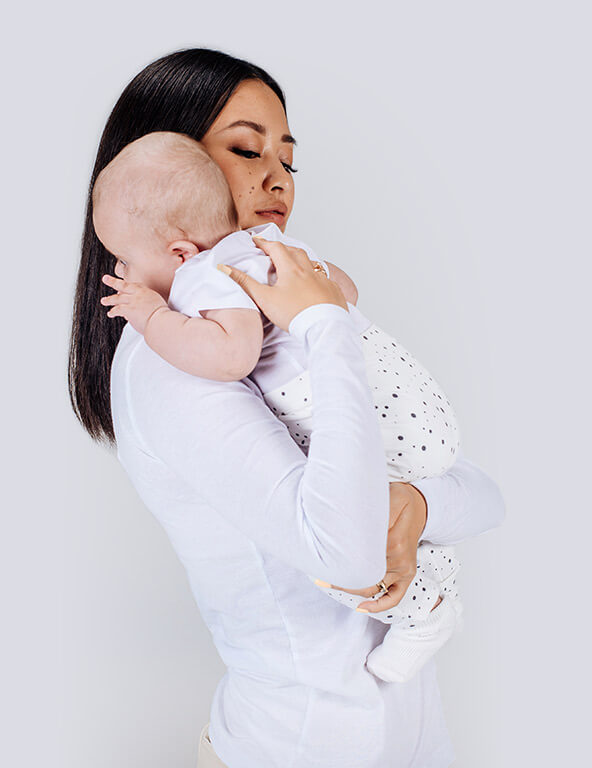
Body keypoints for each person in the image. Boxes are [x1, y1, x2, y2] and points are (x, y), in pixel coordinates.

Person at [68, 48, 505, 768]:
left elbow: (484, 496)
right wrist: (325, 323)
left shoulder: (277, 310)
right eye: (247, 150)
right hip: (295, 748)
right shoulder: (176, 361)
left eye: (289, 159)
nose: (277, 178)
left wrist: (417, 505)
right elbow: (348, 554)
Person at [91, 130, 463, 685]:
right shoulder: (265, 243)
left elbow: (231, 355)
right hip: (410, 404)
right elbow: (347, 290)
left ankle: (425, 612)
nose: (123, 272)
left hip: (357, 416)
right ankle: (441, 582)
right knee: (397, 521)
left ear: (180, 252)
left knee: (345, 558)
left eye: (125, 258)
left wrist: (150, 315)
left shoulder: (202, 277)